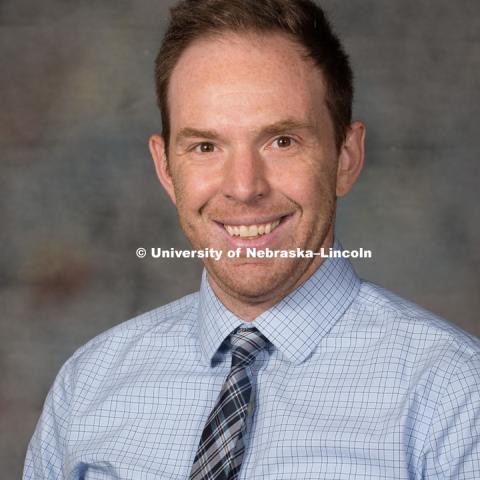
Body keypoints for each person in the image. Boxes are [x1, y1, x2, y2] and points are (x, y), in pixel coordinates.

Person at [24, 0, 480, 478]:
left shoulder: (453, 396)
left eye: (281, 141)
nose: (244, 187)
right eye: (205, 146)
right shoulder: (88, 382)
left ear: (345, 156)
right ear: (165, 168)